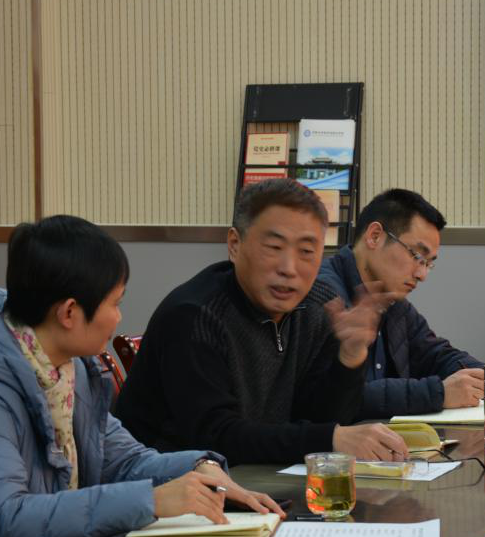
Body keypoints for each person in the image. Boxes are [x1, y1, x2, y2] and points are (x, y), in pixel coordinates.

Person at [0, 215, 282, 537]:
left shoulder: (69, 367)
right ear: (68, 313)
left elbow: (123, 460)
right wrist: (151, 500)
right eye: (115, 303)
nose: (119, 317)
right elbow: (5, 517)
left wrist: (199, 468)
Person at [113, 179, 409, 465]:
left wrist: (350, 358)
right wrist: (329, 438)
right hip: (170, 484)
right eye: (273, 247)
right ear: (234, 245)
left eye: (306, 251)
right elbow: (216, 437)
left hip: (257, 479)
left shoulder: (319, 305)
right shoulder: (194, 315)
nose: (289, 268)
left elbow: (321, 417)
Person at [317, 188, 485, 418]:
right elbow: (333, 399)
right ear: (374, 236)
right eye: (416, 256)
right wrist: (439, 393)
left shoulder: (392, 301)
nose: (422, 274)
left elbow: (435, 354)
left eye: (428, 263)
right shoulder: (323, 296)